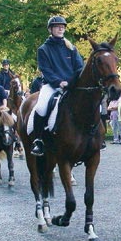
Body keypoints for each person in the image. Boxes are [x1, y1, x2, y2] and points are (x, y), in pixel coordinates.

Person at [30, 15, 84, 156]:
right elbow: (45, 70)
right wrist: (59, 82)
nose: (61, 29)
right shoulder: (44, 49)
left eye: (63, 27)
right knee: (41, 107)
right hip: (52, 85)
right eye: (57, 27)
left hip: (71, 85)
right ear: (51, 29)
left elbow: (79, 67)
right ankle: (38, 140)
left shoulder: (71, 47)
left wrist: (72, 82)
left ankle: (94, 137)